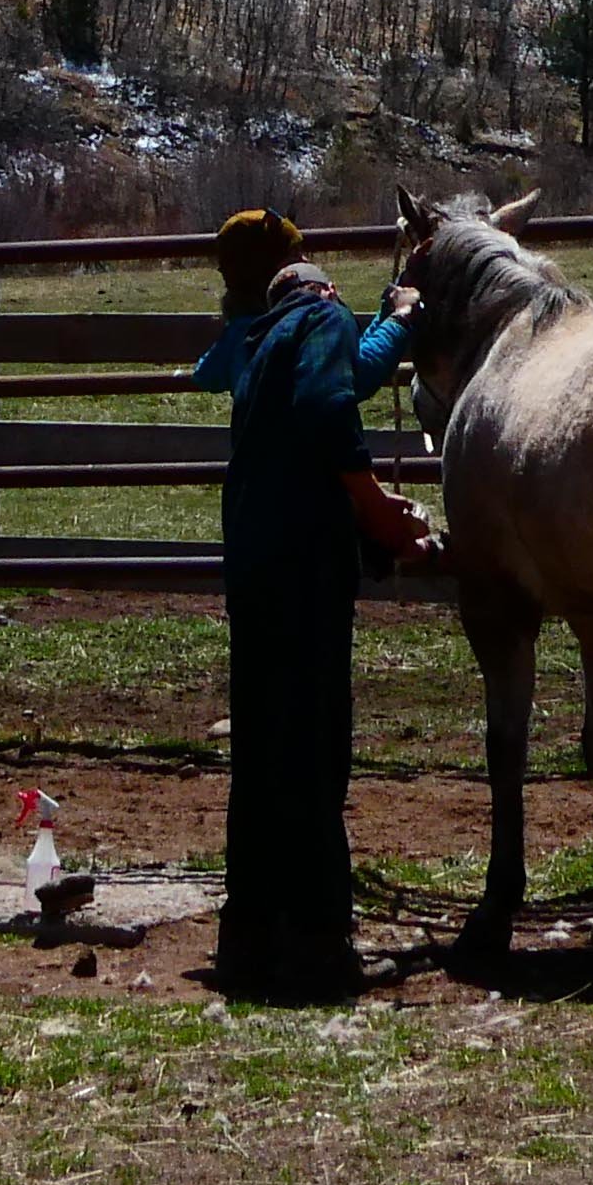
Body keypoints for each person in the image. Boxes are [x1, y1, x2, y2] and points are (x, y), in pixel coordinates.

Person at [189, 207, 422, 1004]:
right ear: (302, 269)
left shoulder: (256, 336)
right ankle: (322, 938)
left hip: (252, 565)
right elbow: (334, 403)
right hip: (305, 566)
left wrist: (388, 328)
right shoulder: (320, 313)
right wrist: (377, 509)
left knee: (261, 748)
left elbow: (327, 384)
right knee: (318, 743)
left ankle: (251, 931)